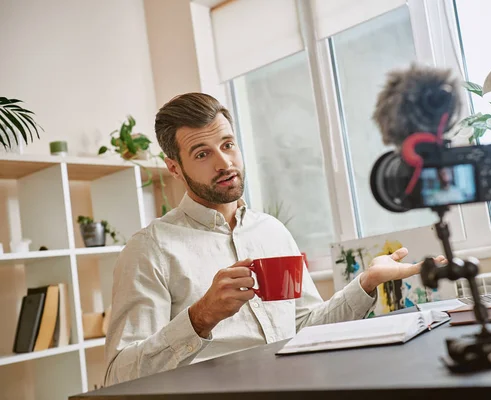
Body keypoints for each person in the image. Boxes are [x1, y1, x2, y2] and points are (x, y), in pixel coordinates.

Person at [104, 93, 445, 386]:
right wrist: (200, 318)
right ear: (175, 168)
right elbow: (118, 376)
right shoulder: (150, 249)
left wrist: (366, 283)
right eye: (202, 154)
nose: (225, 163)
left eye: (227, 145)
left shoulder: (272, 231)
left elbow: (306, 327)